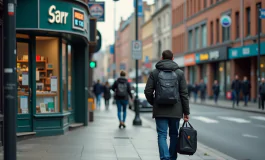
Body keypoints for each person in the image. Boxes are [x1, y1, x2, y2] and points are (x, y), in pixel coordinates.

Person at [144, 50, 190, 160]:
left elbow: (148, 91)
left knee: (162, 135)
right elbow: (184, 94)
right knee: (174, 135)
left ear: (162, 58)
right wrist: (186, 112)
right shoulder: (179, 73)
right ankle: (172, 157)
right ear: (173, 58)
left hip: (160, 110)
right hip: (176, 110)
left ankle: (165, 158)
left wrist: (154, 102)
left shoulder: (155, 72)